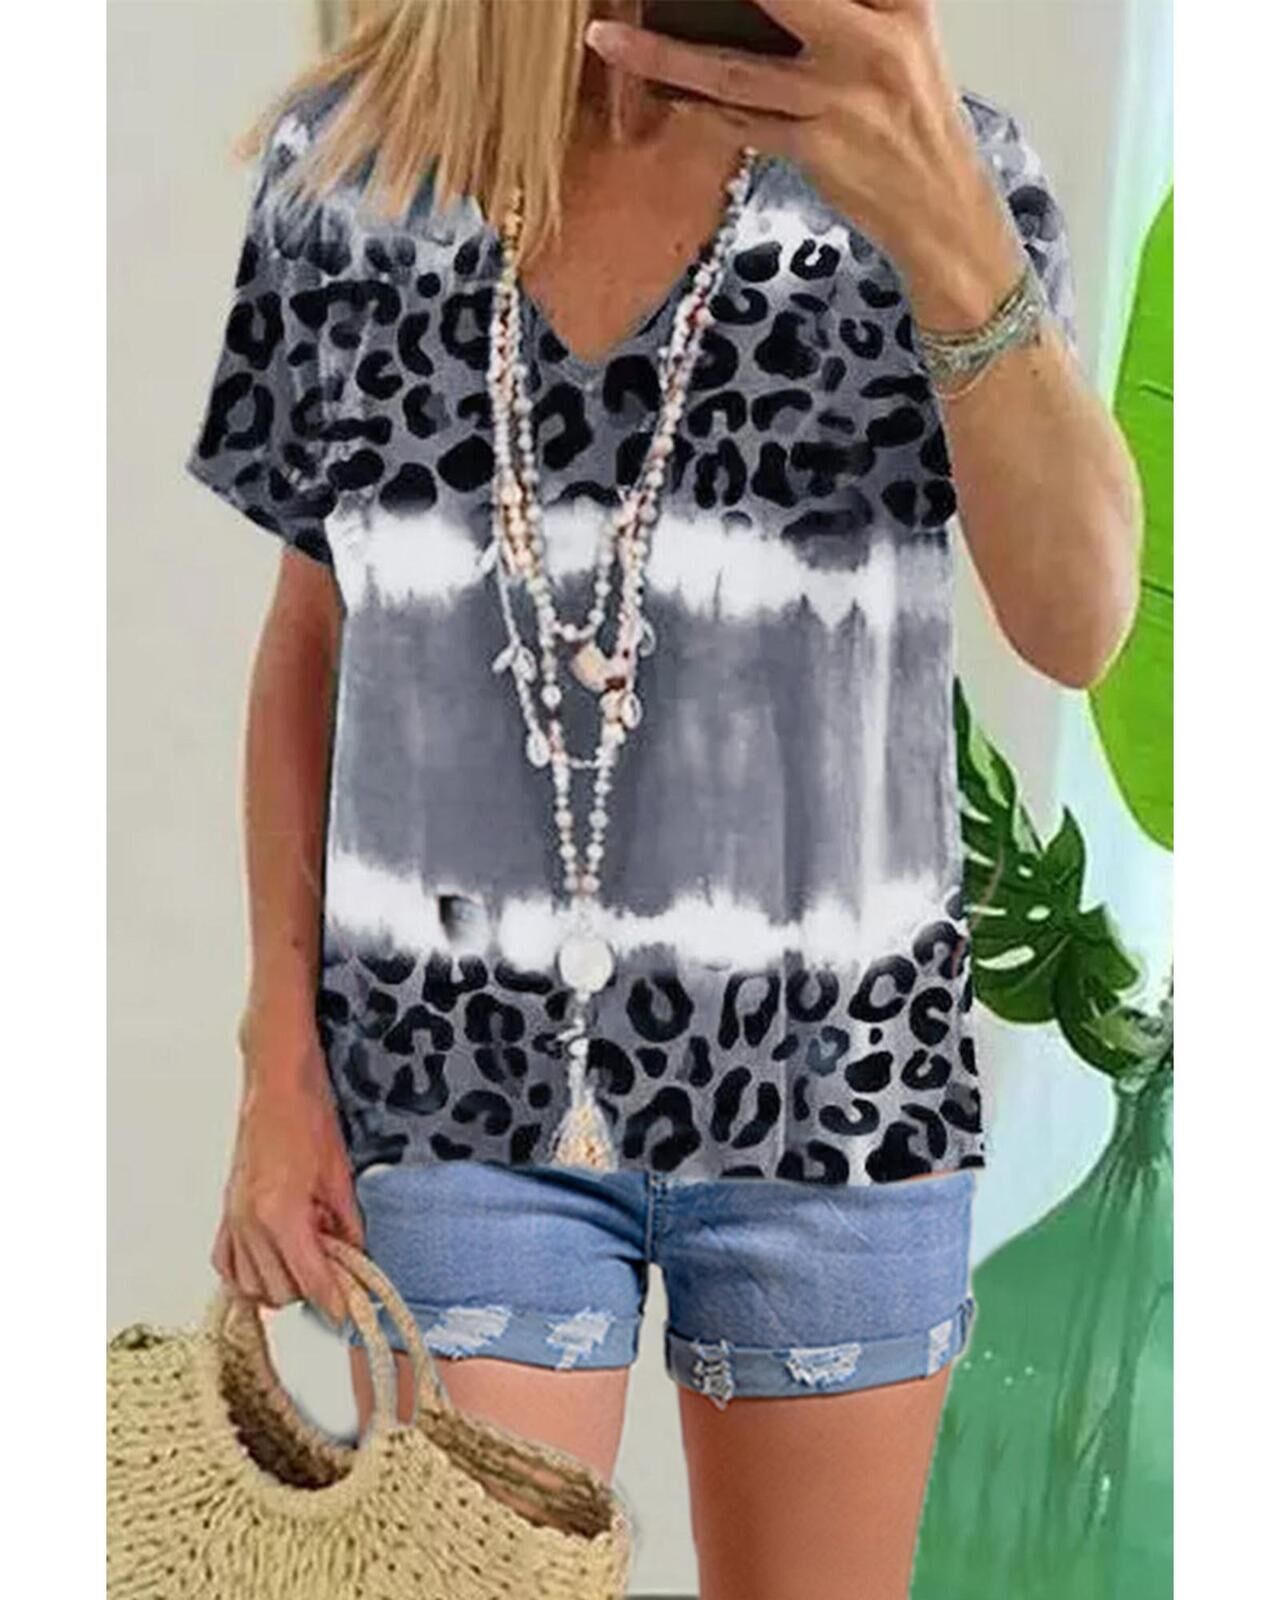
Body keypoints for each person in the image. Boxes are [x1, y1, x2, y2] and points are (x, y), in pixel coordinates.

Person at [188, 1, 1141, 1594]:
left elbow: (1082, 623)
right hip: (451, 1083)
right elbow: (316, 634)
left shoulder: (937, 166)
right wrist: (275, 1059)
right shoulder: (357, 170)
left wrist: (951, 233)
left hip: (840, 1093)